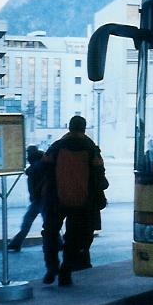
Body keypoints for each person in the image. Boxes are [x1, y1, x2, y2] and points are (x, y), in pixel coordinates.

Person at [40, 116, 108, 286]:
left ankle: (51, 268)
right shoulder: (91, 148)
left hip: (56, 200)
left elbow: (44, 168)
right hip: (81, 202)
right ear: (84, 128)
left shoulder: (57, 146)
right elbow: (100, 176)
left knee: (50, 234)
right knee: (73, 239)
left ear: (69, 127)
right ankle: (65, 272)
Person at [7, 146, 46, 252]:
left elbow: (33, 175)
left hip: (40, 199)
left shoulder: (36, 165)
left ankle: (16, 243)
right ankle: (59, 243)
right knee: (46, 223)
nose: (27, 154)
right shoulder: (41, 163)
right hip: (41, 199)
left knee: (27, 222)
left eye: (28, 152)